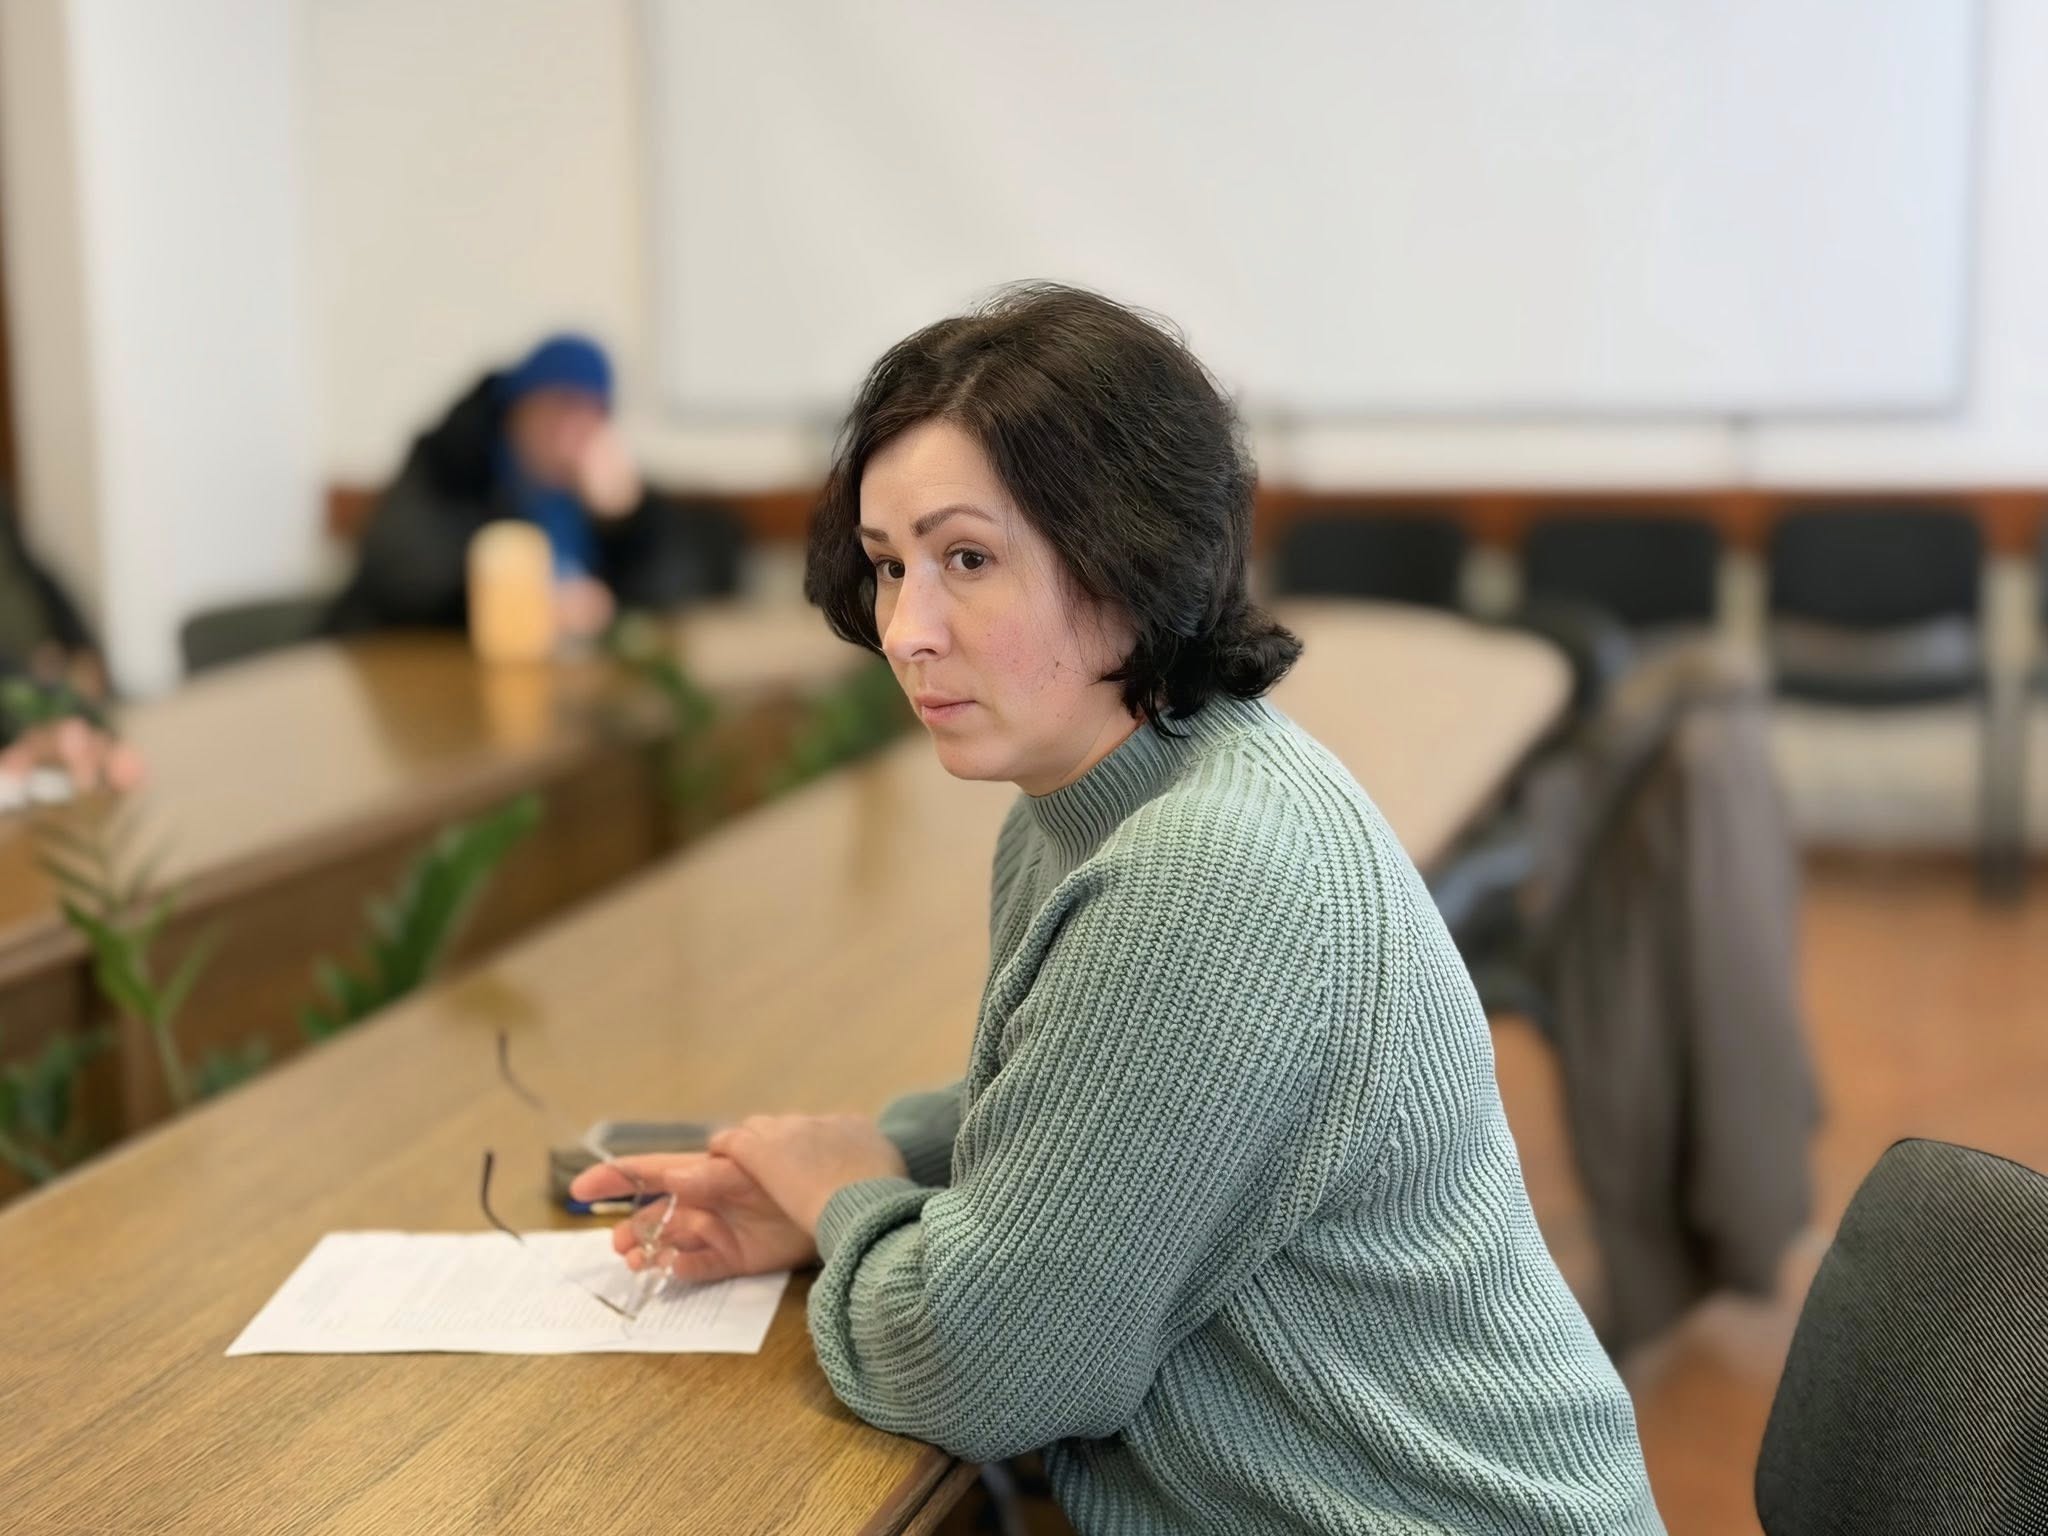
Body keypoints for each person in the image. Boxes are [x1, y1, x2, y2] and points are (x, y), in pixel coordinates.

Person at [572, 285, 1664, 1532]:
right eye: (887, 567)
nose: (906, 631)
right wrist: (862, 1157)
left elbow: (976, 1373)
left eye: (966, 560)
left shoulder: (1203, 872)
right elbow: (1081, 1105)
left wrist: (843, 1202)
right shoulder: (1108, 798)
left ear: (1128, 557)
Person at [326, 334, 735, 639]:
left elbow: (682, 593)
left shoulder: (607, 496)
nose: (569, 432)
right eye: (558, 408)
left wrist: (628, 521)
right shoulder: (452, 461)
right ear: (516, 409)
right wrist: (526, 605)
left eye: (589, 415)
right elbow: (402, 577)